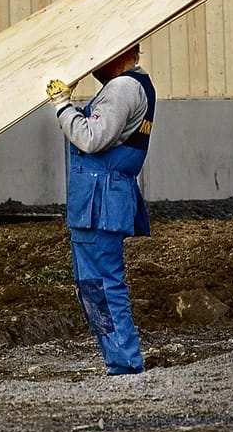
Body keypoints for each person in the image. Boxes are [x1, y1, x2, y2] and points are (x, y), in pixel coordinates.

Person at [47, 43, 155, 376]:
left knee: (102, 286)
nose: (95, 60)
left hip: (99, 201)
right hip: (104, 199)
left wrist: (63, 106)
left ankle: (125, 365)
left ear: (124, 53)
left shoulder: (122, 88)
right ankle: (121, 362)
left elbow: (92, 138)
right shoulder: (135, 85)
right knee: (97, 285)